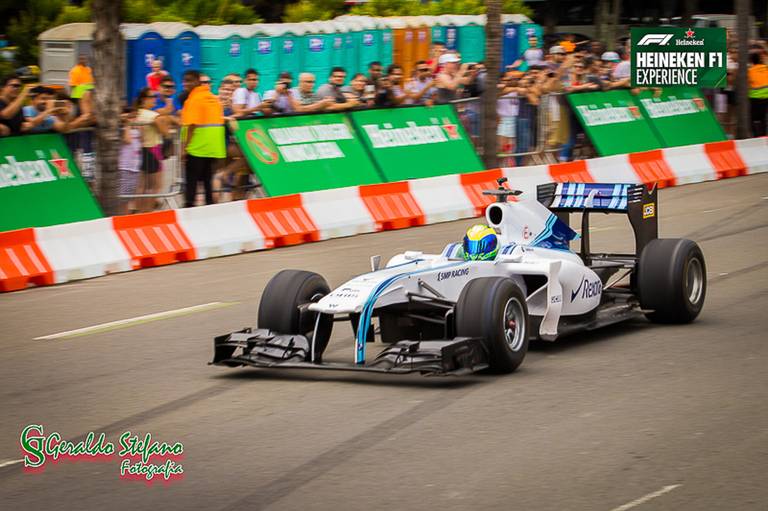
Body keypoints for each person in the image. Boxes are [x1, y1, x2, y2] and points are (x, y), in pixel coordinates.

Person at [181, 70, 226, 208]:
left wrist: (184, 148)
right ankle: (209, 210)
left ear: (197, 81)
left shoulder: (194, 99)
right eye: (184, 81)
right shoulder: (213, 98)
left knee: (191, 182)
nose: (185, 84)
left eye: (189, 80)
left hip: (197, 147)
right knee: (207, 181)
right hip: (213, 147)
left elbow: (191, 126)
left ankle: (188, 210)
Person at [135, 87, 170, 212]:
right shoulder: (149, 114)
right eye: (152, 97)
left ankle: (140, 211)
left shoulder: (138, 113)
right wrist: (166, 132)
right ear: (144, 100)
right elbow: (161, 123)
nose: (155, 99)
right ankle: (147, 212)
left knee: (143, 185)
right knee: (155, 186)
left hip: (143, 150)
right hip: (153, 149)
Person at [118, 107, 142, 215]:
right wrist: (127, 124)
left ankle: (128, 215)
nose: (133, 119)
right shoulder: (122, 128)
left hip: (135, 166)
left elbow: (143, 140)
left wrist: (138, 126)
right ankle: (123, 216)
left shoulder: (136, 129)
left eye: (135, 117)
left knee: (130, 196)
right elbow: (127, 140)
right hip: (124, 166)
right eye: (130, 117)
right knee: (123, 197)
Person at [748, 51, 768, 136]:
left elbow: (748, 84)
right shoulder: (766, 68)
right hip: (766, 97)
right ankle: (764, 134)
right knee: (763, 118)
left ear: (751, 61)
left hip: (755, 98)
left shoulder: (750, 71)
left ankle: (756, 135)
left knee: (754, 118)